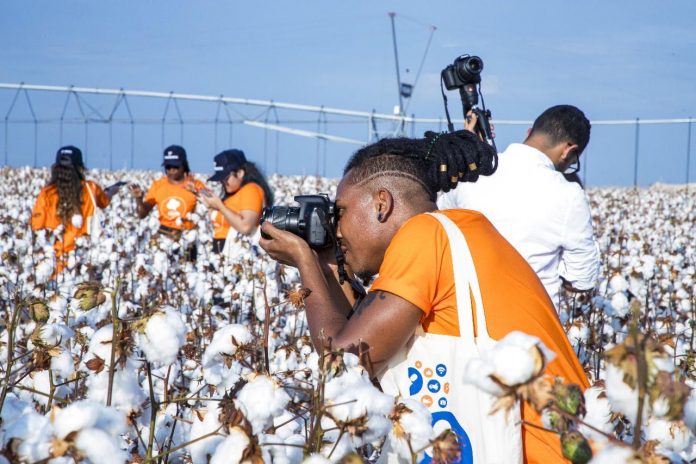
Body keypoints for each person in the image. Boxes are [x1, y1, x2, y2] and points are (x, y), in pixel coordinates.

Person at [259, 131, 589, 463]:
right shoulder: (463, 230)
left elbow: (345, 359)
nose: (338, 229)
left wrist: (305, 260)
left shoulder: (424, 235)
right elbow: (370, 343)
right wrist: (329, 264)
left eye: (341, 211)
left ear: (382, 203)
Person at [438, 105, 600, 309]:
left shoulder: (473, 172)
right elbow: (582, 280)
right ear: (569, 151)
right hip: (528, 325)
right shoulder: (569, 195)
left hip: (461, 315)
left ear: (529, 133)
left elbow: (437, 219)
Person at [31, 145, 120, 269]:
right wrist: (112, 191)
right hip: (84, 260)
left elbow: (37, 226)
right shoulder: (91, 189)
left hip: (54, 261)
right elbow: (104, 201)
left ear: (56, 169)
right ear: (79, 168)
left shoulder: (46, 193)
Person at [130, 145, 205, 261]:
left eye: (175, 166)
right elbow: (142, 214)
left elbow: (212, 205)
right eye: (168, 167)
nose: (171, 170)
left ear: (183, 165)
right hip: (164, 236)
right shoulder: (158, 185)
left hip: (187, 237)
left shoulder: (196, 184)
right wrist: (139, 199)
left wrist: (196, 191)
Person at [198, 149, 274, 254]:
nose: (223, 183)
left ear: (240, 173)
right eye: (221, 179)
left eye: (226, 178)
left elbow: (245, 227)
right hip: (224, 254)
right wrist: (210, 205)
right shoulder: (232, 194)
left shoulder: (251, 190)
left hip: (238, 255)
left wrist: (219, 205)